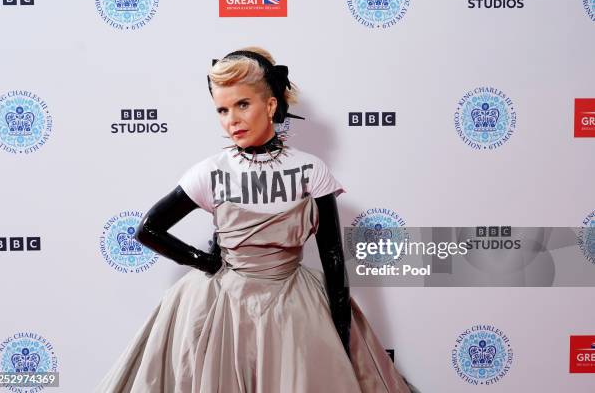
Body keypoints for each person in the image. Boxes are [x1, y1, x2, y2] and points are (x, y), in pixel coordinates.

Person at [95, 47, 414, 392]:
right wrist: (204, 261)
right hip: (222, 307)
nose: (232, 119)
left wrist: (341, 332)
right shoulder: (212, 171)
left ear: (271, 105)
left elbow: (334, 258)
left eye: (242, 105)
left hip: (294, 307)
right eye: (222, 109)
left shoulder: (310, 170)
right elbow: (148, 229)